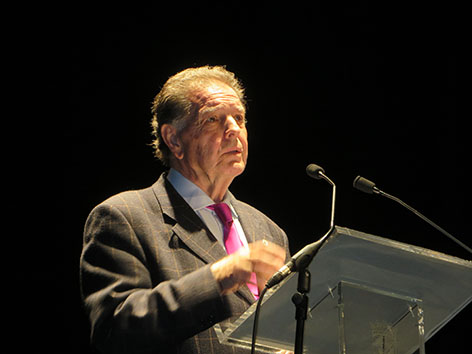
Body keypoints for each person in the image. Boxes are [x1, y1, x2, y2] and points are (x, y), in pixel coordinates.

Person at [80, 65, 291, 354]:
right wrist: (217, 277)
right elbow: (115, 330)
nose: (233, 129)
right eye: (214, 119)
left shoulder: (268, 230)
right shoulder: (124, 216)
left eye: (239, 118)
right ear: (174, 139)